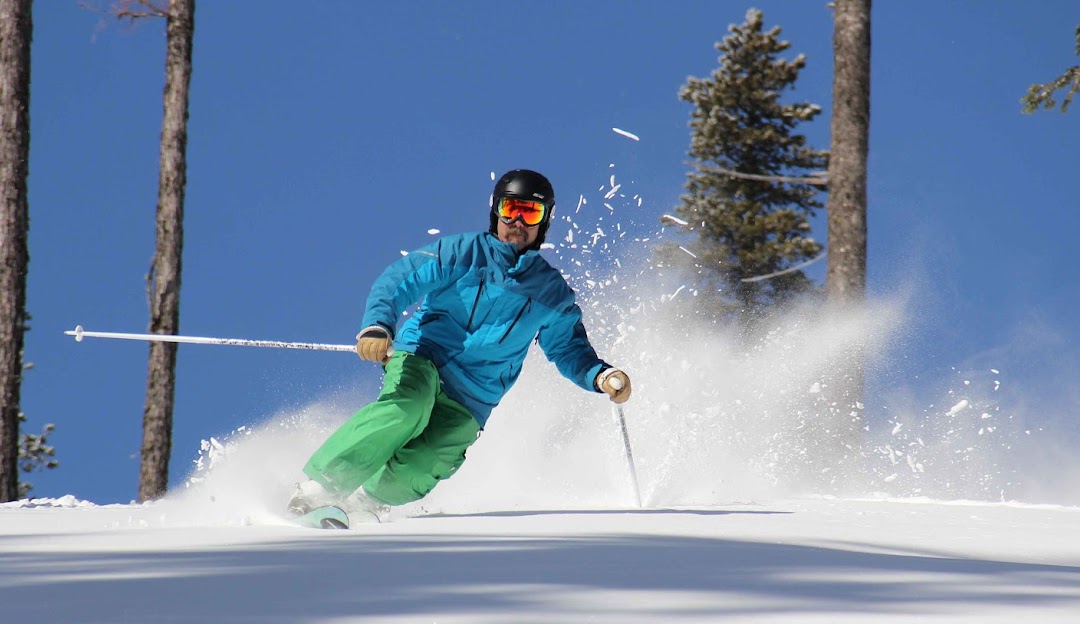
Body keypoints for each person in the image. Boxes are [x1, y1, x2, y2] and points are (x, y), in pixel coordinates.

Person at [288, 169, 632, 520]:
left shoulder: (551, 292)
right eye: (510, 208)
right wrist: (378, 325)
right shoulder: (464, 252)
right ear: (495, 211)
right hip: (425, 356)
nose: (517, 221)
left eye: (530, 213)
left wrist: (601, 375)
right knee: (408, 406)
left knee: (427, 461)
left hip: (474, 397)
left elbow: (568, 348)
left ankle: (365, 502)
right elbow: (401, 279)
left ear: (543, 222)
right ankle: (321, 488)